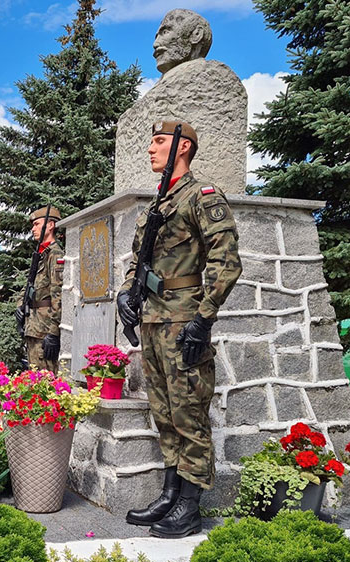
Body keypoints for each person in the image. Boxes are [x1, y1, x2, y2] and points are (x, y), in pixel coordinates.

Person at [117, 120, 242, 538]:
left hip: (183, 320)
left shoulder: (202, 196)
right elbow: (140, 261)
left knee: (189, 413)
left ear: (182, 147)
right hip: (153, 320)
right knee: (164, 413)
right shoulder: (158, 204)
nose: (150, 149)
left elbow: (227, 264)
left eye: (159, 142)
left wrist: (203, 320)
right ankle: (170, 494)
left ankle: (190, 506)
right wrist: (125, 293)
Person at [14, 206, 65, 373]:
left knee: (46, 382)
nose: (33, 229)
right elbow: (29, 286)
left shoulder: (55, 255)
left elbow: (58, 295)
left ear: (50, 225)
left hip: (44, 331)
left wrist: (53, 332)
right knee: (35, 382)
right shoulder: (41, 255)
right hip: (34, 327)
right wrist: (20, 305)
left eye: (37, 224)